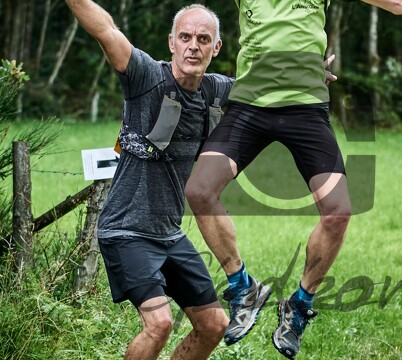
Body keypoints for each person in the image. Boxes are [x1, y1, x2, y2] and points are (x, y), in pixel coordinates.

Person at [184, 0, 402, 359]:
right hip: (249, 107)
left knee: (338, 211)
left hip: (305, 110)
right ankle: (243, 289)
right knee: (199, 190)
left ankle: (298, 306)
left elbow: (397, 3)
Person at [64, 2, 235, 359]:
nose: (193, 46)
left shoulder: (219, 92)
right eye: (185, 37)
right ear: (171, 42)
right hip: (125, 230)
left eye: (203, 39)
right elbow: (106, 30)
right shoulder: (147, 77)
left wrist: (311, 75)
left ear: (216, 47)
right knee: (160, 323)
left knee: (215, 324)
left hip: (169, 233)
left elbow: (269, 90)